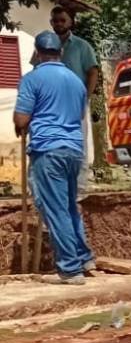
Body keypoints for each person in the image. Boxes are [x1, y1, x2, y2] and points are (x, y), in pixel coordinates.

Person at [14, 31, 94, 285]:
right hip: (73, 149)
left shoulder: (32, 78)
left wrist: (24, 121)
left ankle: (70, 270)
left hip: (47, 149)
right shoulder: (75, 80)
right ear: (60, 52)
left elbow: (21, 119)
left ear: (37, 53)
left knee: (55, 208)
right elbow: (79, 114)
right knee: (69, 206)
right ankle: (83, 257)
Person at [31, 6, 99, 194]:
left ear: (71, 22)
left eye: (63, 20)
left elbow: (93, 72)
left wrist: (86, 97)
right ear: (51, 22)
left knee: (79, 143)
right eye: (55, 20)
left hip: (75, 103)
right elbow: (35, 71)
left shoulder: (82, 46)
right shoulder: (43, 45)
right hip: (50, 104)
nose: (59, 23)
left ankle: (79, 188)